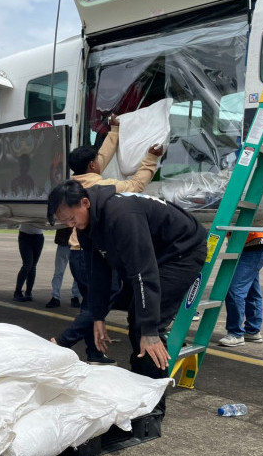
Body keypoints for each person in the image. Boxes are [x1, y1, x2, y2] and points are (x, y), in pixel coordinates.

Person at [47, 180, 207, 409]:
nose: (71, 224)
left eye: (72, 218)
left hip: (181, 251)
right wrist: (99, 316)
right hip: (155, 254)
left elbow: (144, 272)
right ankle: (141, 392)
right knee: (138, 319)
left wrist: (150, 329)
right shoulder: (87, 226)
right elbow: (99, 275)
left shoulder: (121, 216)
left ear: (85, 202)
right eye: (65, 222)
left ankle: (153, 408)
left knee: (145, 327)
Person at [52, 114, 163, 364]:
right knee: (100, 300)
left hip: (75, 255)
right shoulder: (103, 187)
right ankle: (61, 342)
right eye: (97, 161)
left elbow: (101, 157)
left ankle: (93, 353)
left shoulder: (73, 183)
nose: (100, 162)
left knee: (91, 303)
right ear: (92, 165)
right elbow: (135, 185)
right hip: (92, 255)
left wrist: (114, 130)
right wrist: (151, 159)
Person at [219, 232, 263, 347]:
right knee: (252, 292)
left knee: (234, 290)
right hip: (250, 248)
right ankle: (253, 331)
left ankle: (236, 333)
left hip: (252, 247)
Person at [45, 226, 80, 308]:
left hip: (74, 243)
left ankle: (72, 297)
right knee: (60, 272)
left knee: (75, 273)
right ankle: (59, 297)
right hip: (67, 242)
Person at [13, 224, 45, 302]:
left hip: (39, 237)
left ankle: (28, 292)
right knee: (27, 265)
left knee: (33, 265)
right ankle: (17, 292)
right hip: (25, 236)